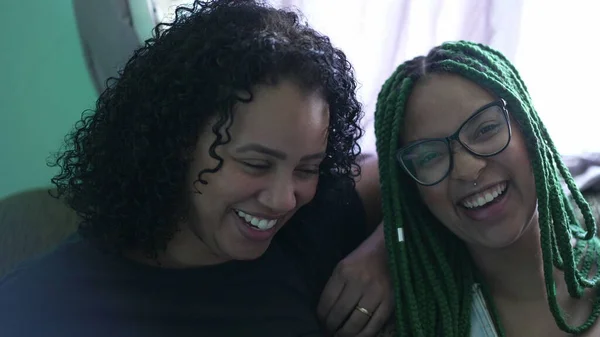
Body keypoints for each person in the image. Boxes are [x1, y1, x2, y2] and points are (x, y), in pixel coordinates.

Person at [0, 1, 393, 336]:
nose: (283, 199)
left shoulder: (308, 230)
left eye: (307, 168)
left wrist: (385, 251)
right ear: (177, 143)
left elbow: (390, 173)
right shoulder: (43, 303)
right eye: (255, 163)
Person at [374, 40, 600, 336]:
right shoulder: (423, 323)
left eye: (485, 129)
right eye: (430, 156)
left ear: (529, 128)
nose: (468, 169)